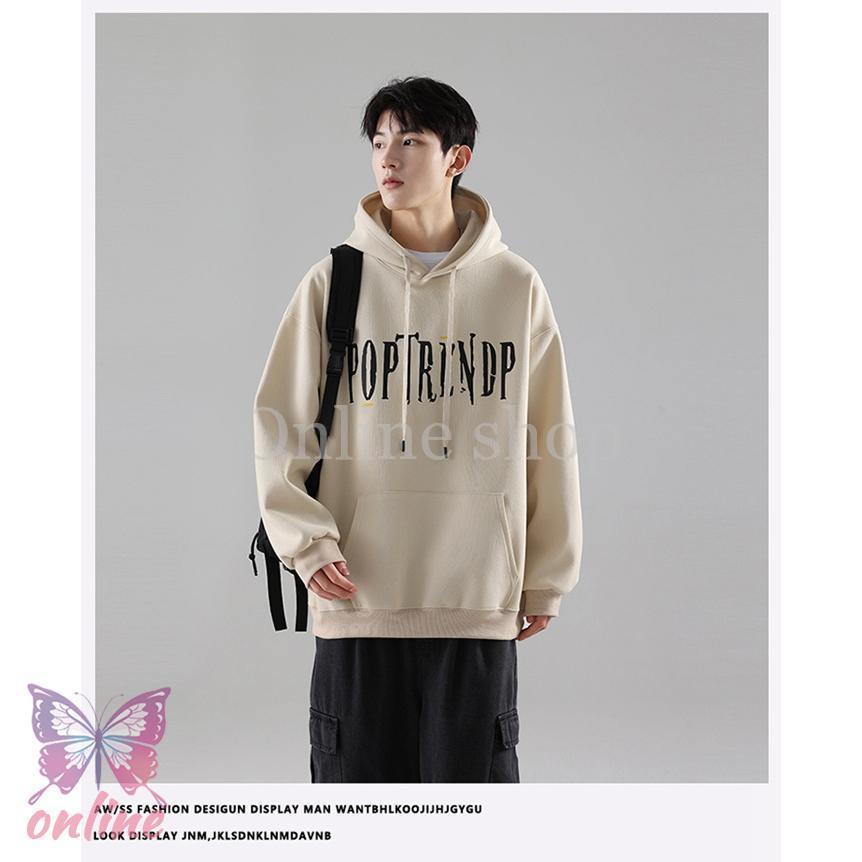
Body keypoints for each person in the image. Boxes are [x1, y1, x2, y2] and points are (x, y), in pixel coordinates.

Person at [253, 76, 583, 782]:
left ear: (457, 158)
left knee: (472, 820)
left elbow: (549, 436)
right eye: (378, 141)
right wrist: (305, 542)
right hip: (358, 598)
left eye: (409, 140)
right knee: (358, 814)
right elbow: (278, 426)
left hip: (476, 600)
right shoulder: (334, 282)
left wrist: (547, 575)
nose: (388, 157)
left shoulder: (516, 286)